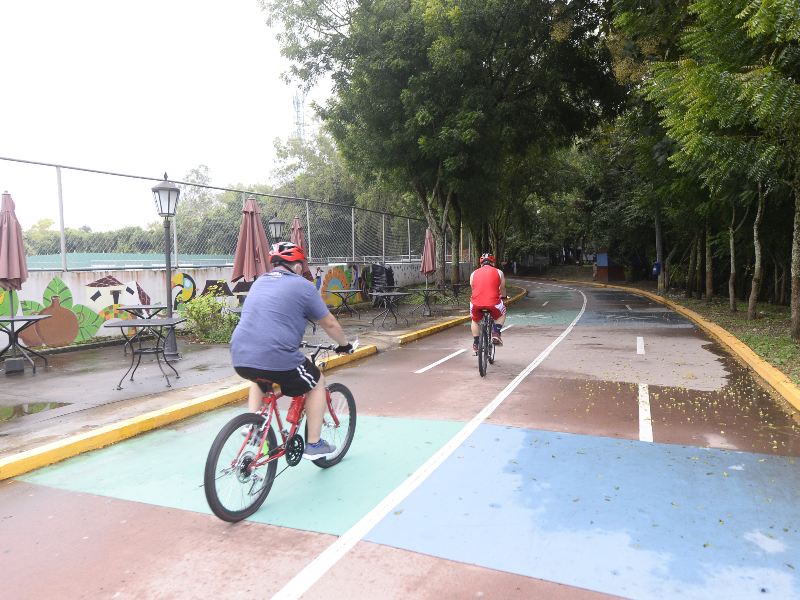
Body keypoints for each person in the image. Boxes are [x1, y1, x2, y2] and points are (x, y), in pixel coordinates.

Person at [231, 242, 353, 460]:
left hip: (241, 355)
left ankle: (253, 424)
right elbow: (330, 323)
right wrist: (345, 345)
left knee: (260, 377)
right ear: (297, 266)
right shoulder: (304, 286)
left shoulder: (259, 282)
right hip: (277, 355)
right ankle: (314, 445)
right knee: (316, 382)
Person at [469, 253, 507, 353]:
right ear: (492, 263)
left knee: (474, 320)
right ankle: (496, 333)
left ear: (481, 264)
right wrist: (503, 297)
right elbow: (502, 288)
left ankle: (476, 343)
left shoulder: (473, 273)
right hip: (493, 302)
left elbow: (473, 287)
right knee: (502, 313)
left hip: (476, 303)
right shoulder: (499, 272)